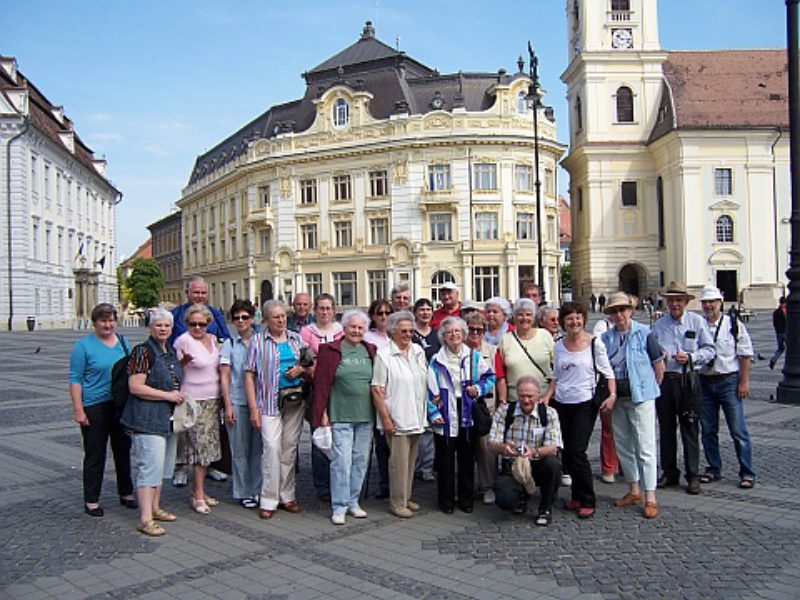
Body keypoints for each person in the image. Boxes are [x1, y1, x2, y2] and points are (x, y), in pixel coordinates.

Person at [542, 302, 616, 519]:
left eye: (577, 318)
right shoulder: (558, 345)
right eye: (569, 319)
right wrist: (548, 396)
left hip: (585, 402)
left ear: (583, 319)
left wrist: (611, 396)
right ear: (563, 322)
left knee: (577, 451)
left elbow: (607, 372)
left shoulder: (595, 344)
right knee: (566, 450)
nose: (574, 322)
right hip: (561, 402)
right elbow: (556, 375)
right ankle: (575, 495)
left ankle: (587, 499)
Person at [245, 300, 312, 519]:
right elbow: (249, 374)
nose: (281, 320)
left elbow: (309, 364)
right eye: (276, 317)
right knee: (271, 448)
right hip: (268, 402)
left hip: (294, 402)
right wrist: (253, 408)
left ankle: (287, 495)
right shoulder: (257, 341)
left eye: (283, 315)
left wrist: (300, 369)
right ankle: (268, 498)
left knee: (289, 449)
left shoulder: (296, 339)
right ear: (266, 320)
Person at [120, 308, 184, 537]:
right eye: (159, 325)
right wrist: (168, 396)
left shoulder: (170, 351)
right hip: (147, 419)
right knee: (149, 467)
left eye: (167, 325)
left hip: (167, 419)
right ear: (150, 327)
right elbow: (136, 387)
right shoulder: (142, 352)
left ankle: (155, 508)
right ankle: (145, 519)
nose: (163, 329)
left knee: (162, 467)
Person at [601, 292, 664, 519]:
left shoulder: (644, 333)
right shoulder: (606, 338)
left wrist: (650, 388)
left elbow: (658, 364)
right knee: (624, 444)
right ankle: (633, 489)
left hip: (641, 396)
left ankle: (650, 496)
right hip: (617, 397)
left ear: (631, 311)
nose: (619, 315)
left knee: (645, 446)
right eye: (614, 311)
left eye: (623, 310)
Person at [69, 302, 135, 517]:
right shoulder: (83, 346)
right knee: (95, 453)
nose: (108, 325)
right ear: (95, 322)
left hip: (119, 404)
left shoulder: (123, 342)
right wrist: (78, 409)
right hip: (94, 405)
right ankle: (91, 499)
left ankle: (126, 492)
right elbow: (75, 379)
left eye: (111, 320)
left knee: (123, 450)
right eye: (103, 321)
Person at [312, 310, 377, 525]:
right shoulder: (329, 351)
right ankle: (338, 505)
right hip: (340, 415)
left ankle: (353, 502)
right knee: (341, 462)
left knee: (360, 461)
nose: (356, 331)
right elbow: (321, 386)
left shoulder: (371, 350)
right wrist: (322, 413)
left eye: (360, 328)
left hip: (366, 415)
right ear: (344, 328)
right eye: (353, 327)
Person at [651, 282, 716, 495]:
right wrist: (661, 356)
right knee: (666, 428)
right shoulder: (659, 325)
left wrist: (691, 357)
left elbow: (710, 350)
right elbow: (651, 350)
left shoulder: (696, 322)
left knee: (690, 427)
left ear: (686, 302)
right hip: (666, 382)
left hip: (688, 379)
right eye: (671, 300)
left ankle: (692, 475)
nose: (675, 304)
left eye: (679, 300)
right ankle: (669, 471)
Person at [427, 316, 495, 513]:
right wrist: (433, 413)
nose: (454, 335)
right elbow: (429, 390)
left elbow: (489, 377)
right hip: (445, 410)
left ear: (463, 334)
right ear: (443, 336)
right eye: (449, 332)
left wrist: (478, 388)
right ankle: (446, 502)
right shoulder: (436, 359)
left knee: (466, 458)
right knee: (446, 460)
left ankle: (466, 500)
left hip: (467, 410)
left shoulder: (473, 356)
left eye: (457, 331)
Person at [169, 276, 230, 487]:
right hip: (187, 387)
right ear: (187, 293)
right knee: (186, 431)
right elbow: (168, 349)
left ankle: (210, 465)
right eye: (196, 292)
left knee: (209, 432)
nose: (200, 296)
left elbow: (225, 340)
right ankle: (181, 467)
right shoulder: (176, 315)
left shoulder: (216, 314)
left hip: (211, 389)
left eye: (203, 293)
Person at [371, 311, 429, 518]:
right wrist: (386, 419)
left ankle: (406, 496)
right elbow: (377, 389)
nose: (408, 335)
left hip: (416, 415)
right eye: (403, 331)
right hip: (397, 417)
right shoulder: (384, 355)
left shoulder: (418, 351)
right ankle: (396, 502)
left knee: (411, 461)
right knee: (398, 463)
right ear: (392, 332)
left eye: (411, 331)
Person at [698, 286, 756, 489]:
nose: (708, 305)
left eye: (712, 301)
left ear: (720, 302)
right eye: (705, 302)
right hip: (704, 382)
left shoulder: (733, 324)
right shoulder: (699, 325)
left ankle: (747, 472)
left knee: (738, 430)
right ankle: (713, 468)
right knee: (708, 430)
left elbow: (745, 354)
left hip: (729, 381)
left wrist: (744, 381)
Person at [489, 376, 562, 526]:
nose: (526, 400)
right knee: (504, 498)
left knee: (553, 465)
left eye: (530, 396)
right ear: (517, 394)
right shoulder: (504, 412)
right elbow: (491, 444)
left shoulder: (549, 413)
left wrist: (534, 452)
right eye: (522, 396)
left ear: (538, 395)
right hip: (514, 465)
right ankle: (520, 499)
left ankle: (545, 508)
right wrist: (504, 448)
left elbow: (554, 448)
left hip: (538, 463)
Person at [173, 304, 223, 514]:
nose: (197, 327)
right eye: (193, 324)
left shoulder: (212, 340)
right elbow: (173, 371)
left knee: (209, 447)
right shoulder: (183, 341)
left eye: (201, 324)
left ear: (208, 324)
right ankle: (198, 494)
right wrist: (182, 363)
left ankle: (199, 490)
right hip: (194, 401)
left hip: (213, 399)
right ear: (186, 324)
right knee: (199, 448)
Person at [300, 292, 344, 501]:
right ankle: (322, 486)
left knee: (339, 437)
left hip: (339, 390)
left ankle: (338, 481)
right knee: (320, 436)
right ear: (315, 310)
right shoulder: (307, 332)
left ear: (334, 310)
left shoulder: (341, 332)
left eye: (328, 308)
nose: (325, 312)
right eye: (321, 308)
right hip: (315, 389)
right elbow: (305, 361)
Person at [220, 299, 262, 509]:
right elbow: (225, 377)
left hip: (260, 402)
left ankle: (257, 489)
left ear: (252, 318)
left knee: (258, 449)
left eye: (244, 317)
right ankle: (243, 491)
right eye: (236, 318)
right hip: (237, 401)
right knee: (239, 450)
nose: (240, 321)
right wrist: (227, 405)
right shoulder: (229, 344)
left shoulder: (262, 341)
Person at [464, 312, 504, 504]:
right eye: (471, 329)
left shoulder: (493, 351)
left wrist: (502, 402)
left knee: (486, 448)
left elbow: (500, 378)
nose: (475, 333)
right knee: (464, 449)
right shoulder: (459, 349)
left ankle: (487, 486)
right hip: (463, 408)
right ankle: (466, 486)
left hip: (486, 407)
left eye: (479, 330)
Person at [497, 298, 554, 404]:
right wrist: (502, 401)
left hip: (543, 399)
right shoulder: (505, 339)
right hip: (515, 399)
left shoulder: (545, 335)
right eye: (520, 314)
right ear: (514, 317)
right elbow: (501, 375)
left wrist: (548, 396)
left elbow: (557, 369)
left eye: (528, 314)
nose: (524, 318)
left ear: (534, 317)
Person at [411, 297, 440, 483]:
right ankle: (412, 466)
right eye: (421, 309)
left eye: (428, 309)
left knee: (430, 429)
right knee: (414, 426)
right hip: (414, 384)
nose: (425, 312)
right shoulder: (411, 334)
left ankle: (427, 467)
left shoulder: (437, 335)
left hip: (433, 385)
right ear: (415, 312)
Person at [770, 296, 787, 370]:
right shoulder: (786, 311)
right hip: (785, 332)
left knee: (780, 349)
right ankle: (788, 364)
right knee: (790, 350)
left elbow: (774, 323)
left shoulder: (776, 312)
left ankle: (773, 359)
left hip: (778, 333)